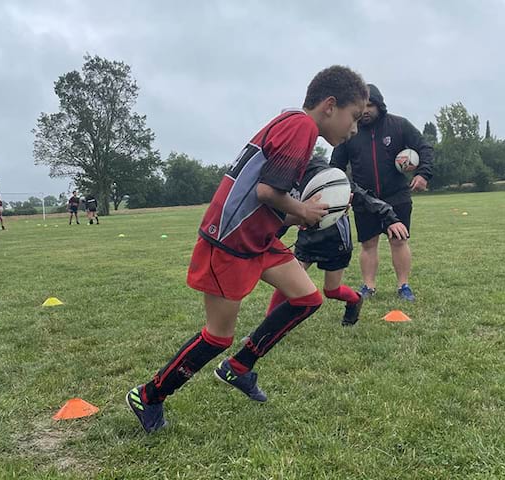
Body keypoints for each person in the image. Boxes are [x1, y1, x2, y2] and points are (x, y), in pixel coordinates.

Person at [126, 65, 369, 433]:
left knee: (307, 298)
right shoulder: (301, 127)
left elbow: (267, 199)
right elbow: (267, 192)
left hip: (258, 240)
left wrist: (302, 216)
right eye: (354, 118)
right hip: (229, 242)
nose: (354, 129)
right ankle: (149, 395)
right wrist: (303, 208)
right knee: (217, 336)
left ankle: (239, 367)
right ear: (330, 106)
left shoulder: (292, 124)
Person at [266, 154, 409, 327]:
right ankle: (269, 325)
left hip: (335, 239)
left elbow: (362, 195)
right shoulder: (283, 178)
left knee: (331, 290)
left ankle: (355, 300)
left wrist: (390, 218)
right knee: (288, 278)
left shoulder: (327, 176)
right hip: (307, 235)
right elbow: (283, 213)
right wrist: (267, 239)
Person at [331, 84, 433, 301]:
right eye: (362, 106)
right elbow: (336, 165)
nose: (365, 110)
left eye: (370, 105)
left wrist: (423, 174)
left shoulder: (399, 125)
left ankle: (403, 286)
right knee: (368, 244)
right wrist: (341, 191)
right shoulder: (350, 130)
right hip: (364, 199)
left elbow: (424, 147)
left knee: (399, 240)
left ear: (379, 105)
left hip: (397, 195)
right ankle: (368, 286)